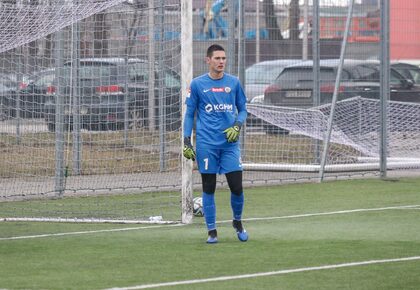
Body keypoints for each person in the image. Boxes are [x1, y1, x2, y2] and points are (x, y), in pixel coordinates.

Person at [182, 44, 248, 244]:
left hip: (229, 144)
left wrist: (237, 125)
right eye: (217, 58)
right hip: (206, 145)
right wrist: (186, 140)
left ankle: (237, 222)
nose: (221, 62)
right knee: (208, 187)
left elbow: (243, 109)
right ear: (208, 60)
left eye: (224, 58)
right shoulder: (196, 84)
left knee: (236, 187)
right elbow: (189, 115)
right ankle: (212, 231)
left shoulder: (234, 83)